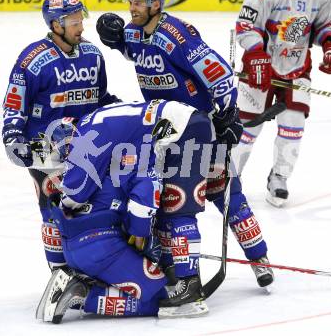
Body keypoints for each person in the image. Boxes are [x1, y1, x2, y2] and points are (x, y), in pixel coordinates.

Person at [96, 0, 274, 287]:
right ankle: (173, 267)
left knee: (229, 197)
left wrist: (229, 112)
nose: (132, 7)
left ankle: (259, 258)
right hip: (165, 135)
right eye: (131, 0)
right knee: (169, 203)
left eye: (139, 1)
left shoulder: (178, 36)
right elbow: (132, 49)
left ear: (156, 4)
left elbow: (218, 73)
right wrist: (115, 40)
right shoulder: (135, 32)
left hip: (202, 131)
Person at [36, 100, 213, 322]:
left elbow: (71, 197)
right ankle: (87, 295)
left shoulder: (98, 147)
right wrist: (141, 234)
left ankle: (79, 280)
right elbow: (144, 191)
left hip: (76, 248)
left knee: (165, 212)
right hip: (104, 246)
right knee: (161, 294)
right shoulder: (118, 145)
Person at [1, 0, 120, 272]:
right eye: (74, 21)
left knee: (96, 207)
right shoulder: (32, 60)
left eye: (81, 20)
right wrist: (13, 137)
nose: (81, 27)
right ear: (56, 24)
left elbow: (99, 96)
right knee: (54, 211)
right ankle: (60, 272)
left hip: (87, 145)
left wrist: (120, 110)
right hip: (45, 149)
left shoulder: (92, 54)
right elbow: (15, 104)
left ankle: (93, 266)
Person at [233, 0, 331, 207]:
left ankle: (279, 177)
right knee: (247, 126)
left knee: (294, 125)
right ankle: (230, 177)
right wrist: (256, 54)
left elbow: (324, 26)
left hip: (297, 68)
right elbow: (246, 26)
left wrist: (330, 45)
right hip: (260, 65)